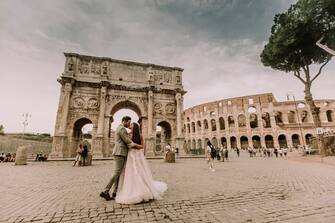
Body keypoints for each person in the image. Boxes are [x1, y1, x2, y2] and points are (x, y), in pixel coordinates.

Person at [115, 122, 167, 204]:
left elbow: (142, 146)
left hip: (137, 155)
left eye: (131, 126)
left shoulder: (140, 136)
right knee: (131, 172)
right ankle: (131, 188)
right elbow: (126, 144)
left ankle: (141, 189)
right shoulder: (128, 135)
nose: (129, 127)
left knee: (140, 171)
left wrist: (133, 144)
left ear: (135, 127)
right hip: (131, 155)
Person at [100, 116, 144, 201]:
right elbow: (127, 141)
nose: (129, 124)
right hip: (120, 152)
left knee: (119, 173)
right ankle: (105, 191)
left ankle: (115, 192)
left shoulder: (121, 128)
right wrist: (136, 144)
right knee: (117, 173)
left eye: (130, 123)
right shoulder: (122, 129)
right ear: (124, 121)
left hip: (122, 153)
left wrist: (136, 142)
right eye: (128, 122)